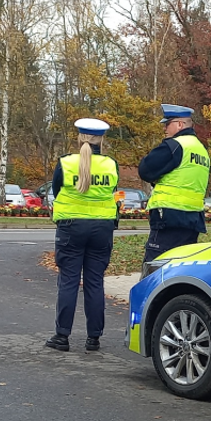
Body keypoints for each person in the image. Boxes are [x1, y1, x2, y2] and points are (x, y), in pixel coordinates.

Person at [45, 118, 119, 353]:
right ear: (101, 140)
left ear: (79, 138)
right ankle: (93, 338)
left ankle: (62, 337)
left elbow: (57, 191)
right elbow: (114, 193)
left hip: (71, 227)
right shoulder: (110, 164)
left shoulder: (66, 163)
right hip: (102, 228)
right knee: (95, 282)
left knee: (68, 281)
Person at [139, 104, 210, 263]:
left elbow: (145, 170)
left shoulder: (174, 145)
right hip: (192, 220)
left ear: (180, 124)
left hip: (168, 219)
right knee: (180, 268)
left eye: (167, 123)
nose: (165, 128)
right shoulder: (201, 150)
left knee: (155, 268)